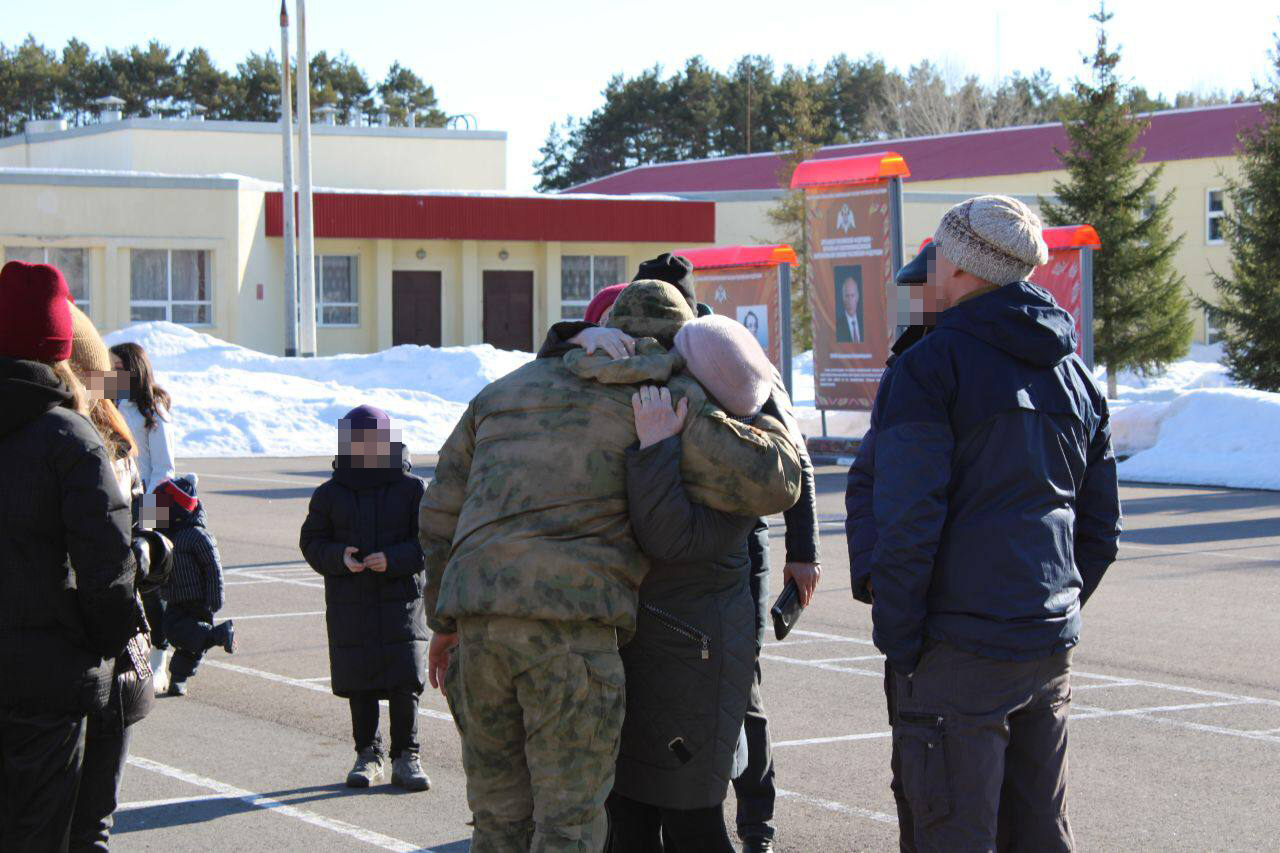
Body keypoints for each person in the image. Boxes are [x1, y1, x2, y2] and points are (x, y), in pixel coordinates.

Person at [419, 280, 802, 851]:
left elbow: (439, 514)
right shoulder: (661, 397)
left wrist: (444, 624)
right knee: (569, 827)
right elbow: (777, 480)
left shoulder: (502, 393)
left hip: (478, 637)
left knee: (498, 822)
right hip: (571, 644)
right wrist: (764, 400)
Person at [848, 195, 1121, 851]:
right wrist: (1050, 607)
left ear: (962, 265)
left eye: (941, 252)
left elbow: (908, 518)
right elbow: (1100, 531)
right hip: (1044, 645)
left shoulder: (931, 366)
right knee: (1039, 832)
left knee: (951, 833)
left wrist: (902, 640)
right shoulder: (1076, 375)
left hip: (956, 651)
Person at [534, 253, 822, 852]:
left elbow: (785, 463)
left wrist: (803, 546)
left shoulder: (719, 375)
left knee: (714, 745)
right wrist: (574, 337)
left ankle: (757, 822)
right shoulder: (668, 374)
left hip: (699, 605)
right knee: (639, 792)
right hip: (647, 612)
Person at [607, 316, 781, 852]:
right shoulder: (714, 434)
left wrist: (658, 446)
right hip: (665, 651)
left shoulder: (742, 461)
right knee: (631, 813)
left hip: (692, 662)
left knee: (690, 821)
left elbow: (670, 539)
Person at [0, 260, 138, 851]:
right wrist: (105, 643)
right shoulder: (70, 437)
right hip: (46, 675)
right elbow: (106, 570)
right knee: (42, 831)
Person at [64, 301, 173, 852]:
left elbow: (159, 479)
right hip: (91, 647)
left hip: (104, 640)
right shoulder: (79, 440)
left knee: (83, 814)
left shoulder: (134, 424)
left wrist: (151, 536)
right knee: (83, 818)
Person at [299, 405, 431, 792]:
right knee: (360, 680)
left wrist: (393, 559)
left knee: (404, 679)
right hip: (349, 602)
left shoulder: (412, 489)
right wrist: (338, 557)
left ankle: (407, 756)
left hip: (402, 602)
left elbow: (429, 540)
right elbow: (312, 541)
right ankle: (367, 754)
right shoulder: (330, 493)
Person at [109, 341, 176, 693]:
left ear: (133, 369)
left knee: (151, 586)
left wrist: (149, 511)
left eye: (117, 366)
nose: (111, 372)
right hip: (118, 504)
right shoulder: (110, 404)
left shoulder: (153, 411)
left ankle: (160, 660)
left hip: (150, 503)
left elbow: (165, 468)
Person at [153, 474, 235, 696]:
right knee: (189, 645)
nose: (154, 511)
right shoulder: (166, 532)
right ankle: (178, 680)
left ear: (175, 511)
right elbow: (139, 516)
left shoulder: (196, 535)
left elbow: (213, 569)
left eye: (160, 508)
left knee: (178, 633)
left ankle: (219, 634)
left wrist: (215, 600)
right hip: (174, 596)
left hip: (197, 600)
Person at [835, 272, 864, 343]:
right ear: (843, 298)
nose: (850, 300)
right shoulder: (837, 326)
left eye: (852, 295)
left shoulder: (865, 322)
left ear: (857, 297)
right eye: (847, 296)